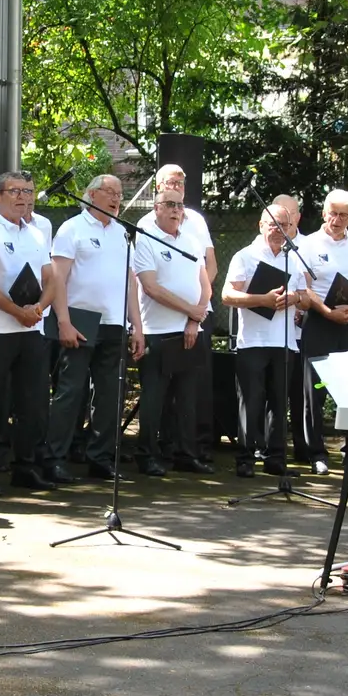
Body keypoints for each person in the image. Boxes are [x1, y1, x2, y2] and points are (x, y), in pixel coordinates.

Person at [44, 174, 143, 481]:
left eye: (119, 193)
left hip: (114, 322)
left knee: (111, 393)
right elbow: (57, 279)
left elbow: (130, 283)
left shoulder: (122, 233)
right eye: (109, 192)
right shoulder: (72, 229)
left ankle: (100, 457)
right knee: (70, 392)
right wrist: (63, 321)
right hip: (79, 319)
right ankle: (55, 458)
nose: (117, 198)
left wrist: (137, 326)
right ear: (91, 194)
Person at [0, 171, 58, 492]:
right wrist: (19, 312)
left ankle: (26, 466)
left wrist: (38, 309)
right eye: (15, 191)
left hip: (32, 330)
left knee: (32, 403)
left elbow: (51, 281)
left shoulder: (36, 234)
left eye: (28, 192)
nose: (23, 197)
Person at [132, 171, 213, 477]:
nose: (176, 210)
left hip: (191, 331)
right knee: (154, 399)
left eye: (180, 205)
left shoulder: (192, 239)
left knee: (188, 397)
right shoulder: (146, 238)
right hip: (157, 332)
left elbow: (205, 284)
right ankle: (147, 454)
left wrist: (195, 317)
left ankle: (185, 454)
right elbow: (151, 287)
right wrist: (189, 310)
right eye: (169, 204)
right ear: (156, 208)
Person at [221, 206, 308, 478]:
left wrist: (292, 298)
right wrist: (262, 300)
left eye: (283, 224)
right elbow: (226, 295)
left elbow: (305, 297)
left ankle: (276, 458)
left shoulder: (293, 258)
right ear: (261, 225)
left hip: (284, 342)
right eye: (272, 224)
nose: (277, 229)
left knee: (279, 402)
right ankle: (246, 458)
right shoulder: (244, 256)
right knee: (251, 400)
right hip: (252, 342)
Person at [297, 190, 348, 475]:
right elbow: (303, 287)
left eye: (344, 214)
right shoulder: (307, 244)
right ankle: (316, 453)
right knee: (314, 391)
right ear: (323, 213)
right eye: (333, 213)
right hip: (319, 321)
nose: (337, 219)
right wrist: (326, 311)